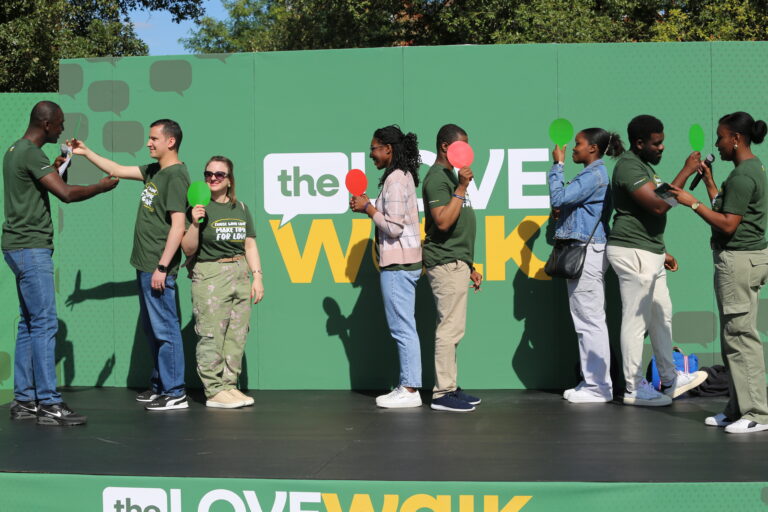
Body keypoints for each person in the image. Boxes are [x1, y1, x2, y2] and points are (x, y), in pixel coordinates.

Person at [3, 101, 118, 426]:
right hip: (31, 248)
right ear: (47, 124)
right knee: (44, 324)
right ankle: (50, 404)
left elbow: (45, 184)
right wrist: (100, 187)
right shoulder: (31, 154)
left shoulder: (15, 150)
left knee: (29, 323)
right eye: (60, 123)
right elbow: (65, 194)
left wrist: (59, 166)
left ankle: (24, 401)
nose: (62, 129)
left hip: (16, 247)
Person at [69, 119, 190, 411]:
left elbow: (178, 226)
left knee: (166, 330)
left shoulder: (176, 176)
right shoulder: (155, 170)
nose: (148, 143)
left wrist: (163, 267)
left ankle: (175, 392)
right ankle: (160, 385)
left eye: (154, 138)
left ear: (170, 141)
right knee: (153, 329)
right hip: (145, 264)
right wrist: (87, 152)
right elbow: (116, 169)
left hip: (157, 267)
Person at [669, 112, 768, 433]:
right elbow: (729, 210)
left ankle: (757, 414)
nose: (717, 143)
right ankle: (738, 408)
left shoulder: (742, 176)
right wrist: (711, 183)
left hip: (739, 261)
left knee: (741, 336)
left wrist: (692, 202)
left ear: (736, 139)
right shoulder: (750, 169)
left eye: (721, 137)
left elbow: (727, 224)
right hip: (743, 260)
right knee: (733, 336)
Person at [606, 114, 708, 407]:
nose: (662, 147)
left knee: (662, 314)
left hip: (650, 251)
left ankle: (670, 378)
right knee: (635, 321)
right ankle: (633, 387)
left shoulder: (644, 167)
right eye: (656, 143)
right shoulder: (628, 166)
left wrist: (661, 252)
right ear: (639, 143)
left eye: (662, 142)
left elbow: (660, 201)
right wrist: (686, 170)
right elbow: (659, 205)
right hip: (632, 251)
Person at [181, 156, 264, 409]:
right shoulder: (197, 207)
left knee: (237, 334)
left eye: (219, 174)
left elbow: (250, 244)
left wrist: (257, 276)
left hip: (240, 271)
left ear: (229, 180)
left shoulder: (241, 208)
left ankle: (228, 385)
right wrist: (194, 223)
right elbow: (187, 248)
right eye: (208, 174)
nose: (213, 178)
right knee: (211, 334)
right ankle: (213, 389)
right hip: (211, 273)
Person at [350, 125, 423, 408]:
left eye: (374, 149)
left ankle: (409, 389)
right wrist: (368, 206)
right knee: (406, 327)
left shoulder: (394, 179)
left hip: (398, 263)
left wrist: (368, 208)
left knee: (402, 329)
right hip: (405, 261)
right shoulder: (402, 176)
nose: (371, 155)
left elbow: (393, 227)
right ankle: (408, 386)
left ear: (388, 149)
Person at [549, 128, 623, 403]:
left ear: (593, 148)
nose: (573, 148)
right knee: (587, 319)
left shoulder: (594, 175)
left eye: (578, 143)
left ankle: (598, 386)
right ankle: (593, 381)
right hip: (588, 250)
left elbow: (558, 197)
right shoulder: (593, 174)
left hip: (588, 252)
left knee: (589, 321)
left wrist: (557, 166)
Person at [422, 124, 482, 412]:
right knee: (448, 329)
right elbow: (443, 222)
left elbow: (456, 226)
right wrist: (461, 187)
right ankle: (442, 393)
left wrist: (469, 265)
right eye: (462, 145)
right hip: (445, 262)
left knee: (454, 329)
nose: (467, 151)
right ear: (445, 146)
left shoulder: (449, 176)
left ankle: (450, 387)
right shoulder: (437, 178)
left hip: (456, 262)